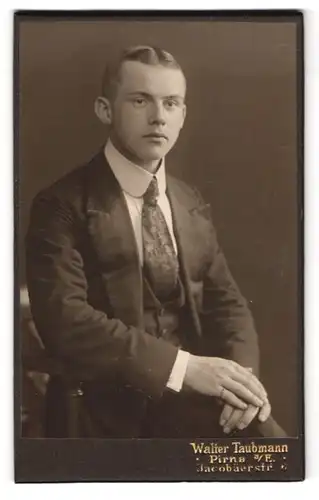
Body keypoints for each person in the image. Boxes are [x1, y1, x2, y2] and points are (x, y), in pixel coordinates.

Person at [25, 45, 286, 438]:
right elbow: (65, 320)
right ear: (104, 109)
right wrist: (186, 368)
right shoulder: (61, 204)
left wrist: (240, 382)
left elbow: (227, 303)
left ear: (183, 115)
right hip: (102, 407)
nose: (158, 117)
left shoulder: (187, 199)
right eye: (140, 100)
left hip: (195, 399)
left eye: (171, 103)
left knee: (276, 457)